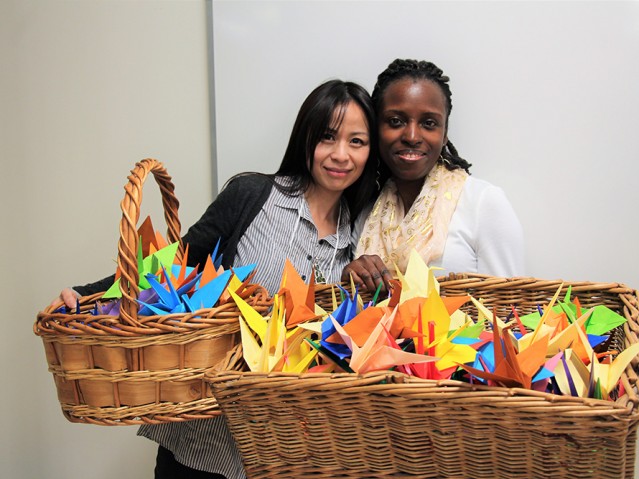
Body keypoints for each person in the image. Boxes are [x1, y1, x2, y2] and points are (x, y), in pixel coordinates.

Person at [55, 78, 378, 479]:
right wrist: (88, 294)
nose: (340, 154)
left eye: (357, 142)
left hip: (282, 453)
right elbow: (171, 266)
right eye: (327, 137)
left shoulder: (359, 236)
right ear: (306, 137)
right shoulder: (252, 196)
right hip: (201, 442)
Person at [342, 59, 524, 292]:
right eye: (395, 121)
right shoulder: (366, 212)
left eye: (429, 123)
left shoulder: (483, 203)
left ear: (444, 133)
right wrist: (349, 278)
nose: (412, 136)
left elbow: (512, 309)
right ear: (376, 128)